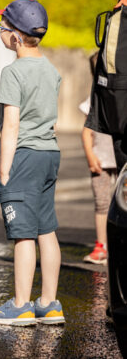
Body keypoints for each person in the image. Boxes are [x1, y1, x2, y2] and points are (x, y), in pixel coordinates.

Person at [0, 0, 65, 326]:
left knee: (24, 234)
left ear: (16, 37)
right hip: (49, 154)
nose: (0, 32)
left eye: (2, 28)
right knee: (47, 229)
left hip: (24, 156)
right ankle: (49, 303)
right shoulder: (51, 70)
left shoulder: (13, 72)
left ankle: (20, 305)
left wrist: (5, 168)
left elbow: (12, 125)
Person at [79, 52, 117, 265]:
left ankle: (118, 245)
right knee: (102, 203)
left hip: (120, 158)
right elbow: (86, 132)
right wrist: (90, 156)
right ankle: (102, 246)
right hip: (100, 159)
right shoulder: (94, 98)